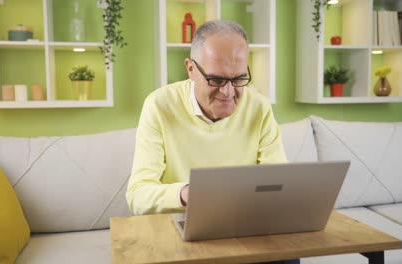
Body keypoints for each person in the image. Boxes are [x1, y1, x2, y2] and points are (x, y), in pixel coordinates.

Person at [126, 20, 298, 264]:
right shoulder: (158, 106)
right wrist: (187, 194)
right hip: (181, 236)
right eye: (216, 79)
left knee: (288, 257)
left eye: (239, 79)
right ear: (191, 69)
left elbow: (279, 181)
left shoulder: (259, 107)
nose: (228, 92)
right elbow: (138, 195)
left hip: (244, 230)